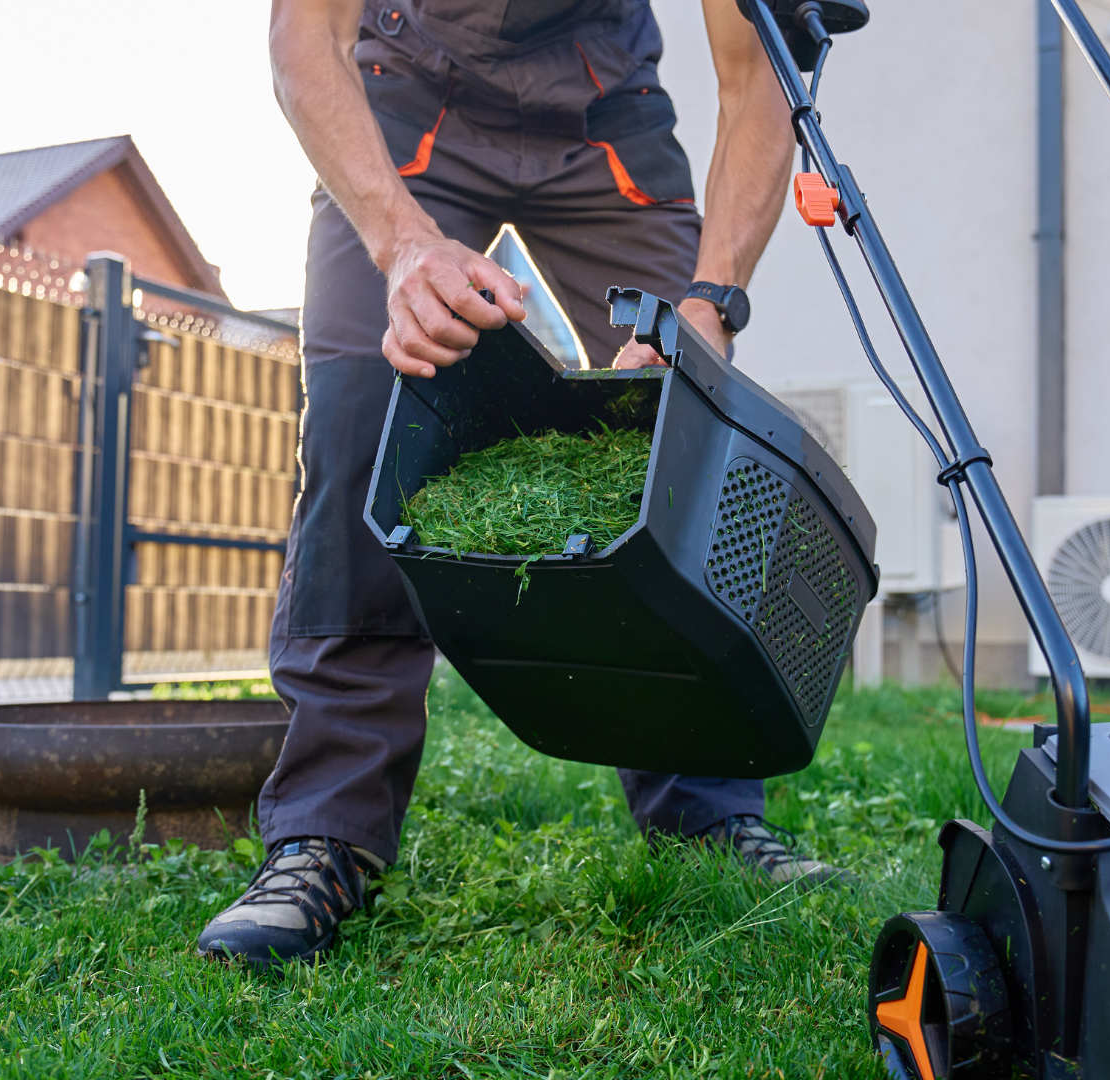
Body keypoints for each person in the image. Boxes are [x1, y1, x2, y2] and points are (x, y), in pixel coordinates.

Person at [198, 0, 850, 966]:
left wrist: (709, 306)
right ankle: (325, 833)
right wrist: (400, 244)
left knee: (679, 420)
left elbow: (759, 72)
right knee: (364, 413)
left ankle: (706, 810)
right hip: (410, 93)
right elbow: (307, 33)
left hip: (602, 109)